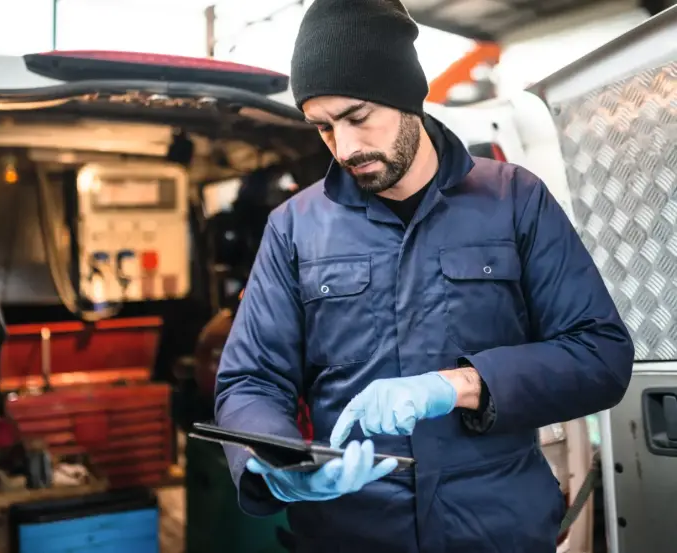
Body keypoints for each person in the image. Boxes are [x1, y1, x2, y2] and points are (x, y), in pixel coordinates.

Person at [213, 0, 635, 551]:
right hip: (352, 533)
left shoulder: (514, 200)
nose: (345, 147)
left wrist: (458, 386)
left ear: (407, 96)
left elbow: (599, 355)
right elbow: (250, 380)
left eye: (359, 117)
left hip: (495, 530)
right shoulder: (295, 227)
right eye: (323, 128)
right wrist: (275, 460)